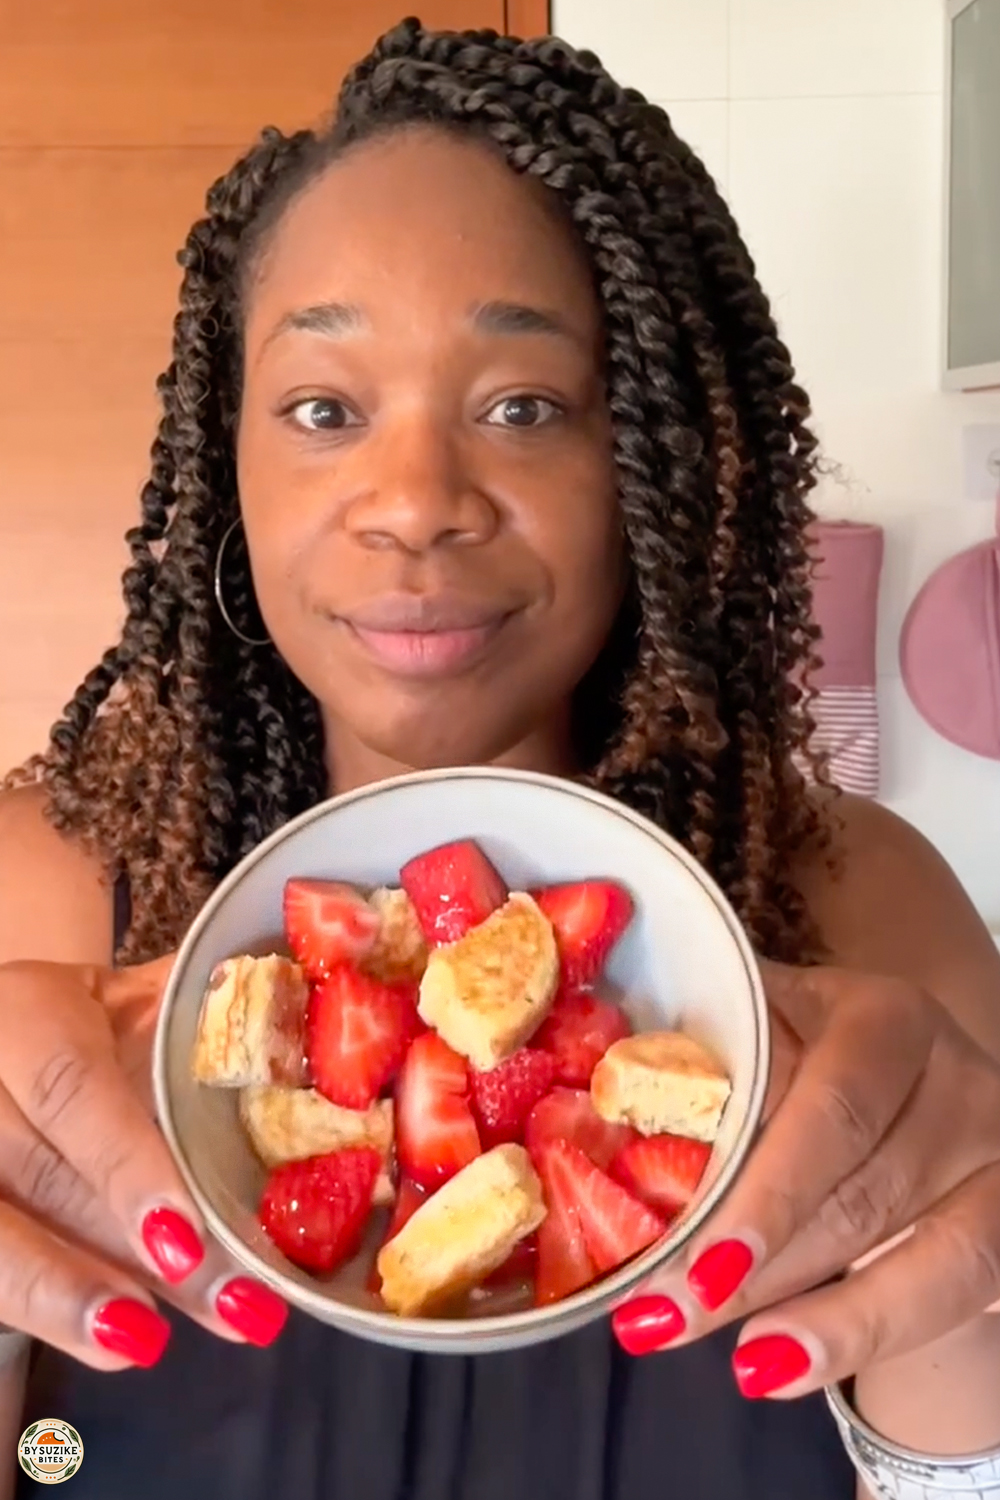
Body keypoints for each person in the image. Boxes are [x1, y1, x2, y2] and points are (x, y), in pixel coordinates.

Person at [1, 19, 999, 1500]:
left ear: (654, 468)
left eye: (524, 408)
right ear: (231, 462)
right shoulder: (48, 897)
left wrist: (968, 1317)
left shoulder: (862, 914)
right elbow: (46, 1458)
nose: (414, 503)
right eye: (325, 410)